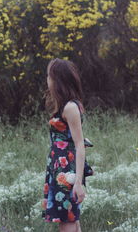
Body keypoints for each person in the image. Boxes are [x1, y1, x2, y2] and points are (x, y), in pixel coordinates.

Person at [42, 58, 88, 232]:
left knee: (67, 220)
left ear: (57, 79)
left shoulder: (70, 107)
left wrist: (77, 182)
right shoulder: (64, 105)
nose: (47, 79)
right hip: (60, 168)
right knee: (71, 220)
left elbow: (79, 145)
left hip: (67, 170)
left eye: (49, 75)